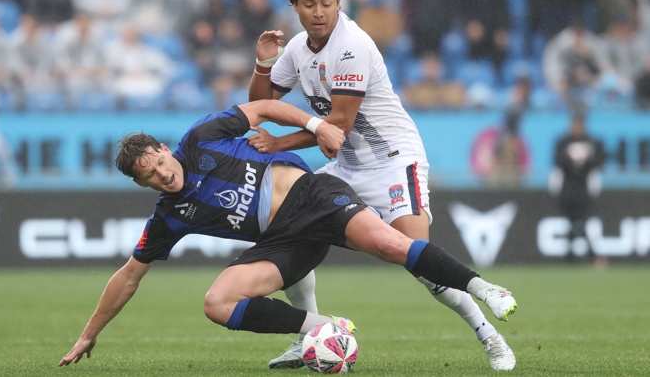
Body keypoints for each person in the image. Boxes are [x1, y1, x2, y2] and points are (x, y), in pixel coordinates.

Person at [58, 99, 518, 368]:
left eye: (160, 161)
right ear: (142, 184)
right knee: (216, 303)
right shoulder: (168, 217)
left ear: (163, 148)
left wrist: (316, 125)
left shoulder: (200, 139)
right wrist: (88, 333)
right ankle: (323, 330)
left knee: (390, 245)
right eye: (152, 176)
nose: (163, 174)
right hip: (283, 240)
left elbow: (263, 107)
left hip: (314, 197)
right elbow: (129, 276)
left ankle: (485, 288)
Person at [246, 0, 517, 371]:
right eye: (309, 3)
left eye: (327, 2)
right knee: (284, 227)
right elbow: (261, 104)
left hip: (393, 160)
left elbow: (337, 126)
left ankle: (490, 336)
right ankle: (309, 336)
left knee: (419, 261)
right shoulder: (296, 50)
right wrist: (263, 64)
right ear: (294, 7)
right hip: (348, 166)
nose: (319, 11)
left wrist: (278, 144)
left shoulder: (352, 45)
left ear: (340, 1)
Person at [549, 112, 605, 265]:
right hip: (567, 188)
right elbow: (557, 161)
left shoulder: (592, 142)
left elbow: (599, 162)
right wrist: (570, 157)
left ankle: (575, 257)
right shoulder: (563, 142)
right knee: (572, 222)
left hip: (583, 188)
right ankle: (583, 256)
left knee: (580, 222)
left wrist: (585, 159)